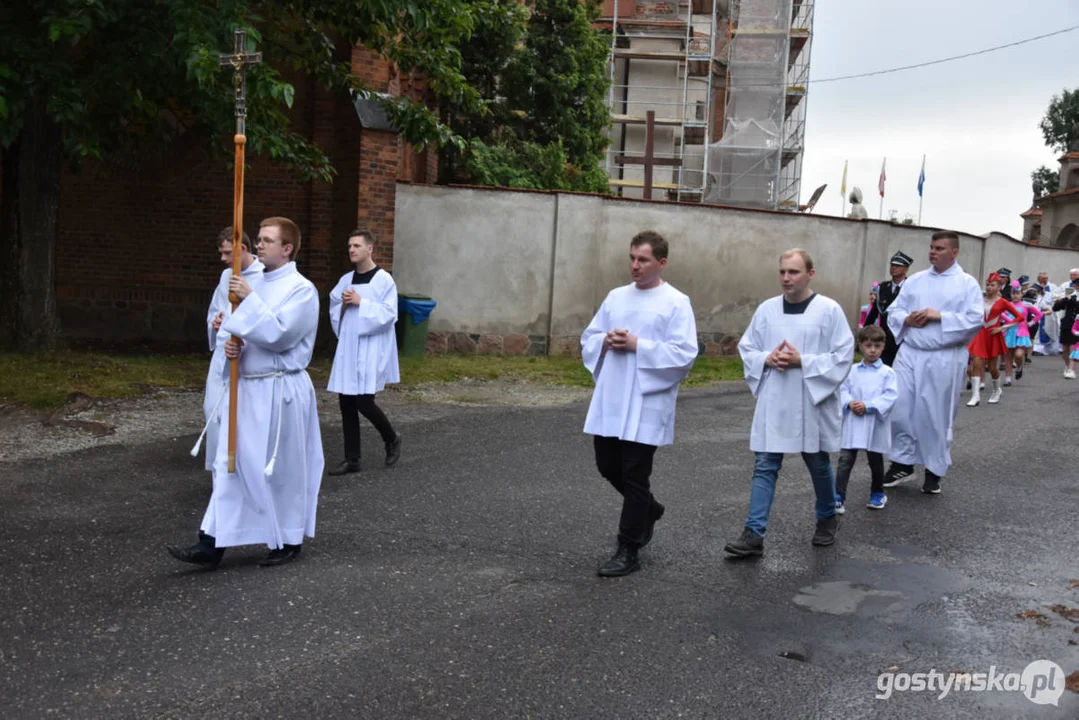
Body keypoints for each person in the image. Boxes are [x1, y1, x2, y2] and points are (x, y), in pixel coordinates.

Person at [169, 217, 323, 569]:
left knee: (276, 469)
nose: (260, 245)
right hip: (248, 389)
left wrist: (247, 304)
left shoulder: (302, 289)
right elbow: (249, 333)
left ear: (287, 249)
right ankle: (211, 542)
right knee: (230, 464)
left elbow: (280, 334)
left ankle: (287, 537)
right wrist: (234, 345)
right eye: (261, 239)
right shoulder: (253, 284)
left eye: (268, 240)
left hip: (280, 391)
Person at [581, 230, 698, 577]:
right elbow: (589, 337)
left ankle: (628, 548)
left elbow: (684, 354)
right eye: (632, 257)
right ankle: (649, 508)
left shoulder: (677, 302)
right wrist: (605, 340)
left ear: (660, 263)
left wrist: (638, 346)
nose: (635, 265)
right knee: (607, 466)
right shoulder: (615, 297)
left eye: (643, 259)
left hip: (647, 399)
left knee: (634, 474)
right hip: (613, 395)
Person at [723, 248, 854, 558]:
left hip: (811, 400)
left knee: (817, 462)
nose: (786, 277)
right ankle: (753, 533)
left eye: (793, 272)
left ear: (810, 274)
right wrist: (766, 357)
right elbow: (747, 348)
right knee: (765, 464)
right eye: (782, 271)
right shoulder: (767, 310)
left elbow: (843, 356)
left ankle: (826, 518)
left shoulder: (828, 310)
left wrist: (802, 361)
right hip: (776, 398)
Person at [882, 231, 982, 495]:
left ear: (954, 252)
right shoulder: (915, 281)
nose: (932, 252)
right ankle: (902, 463)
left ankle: (935, 469)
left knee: (934, 412)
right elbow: (894, 310)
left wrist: (941, 316)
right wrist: (906, 320)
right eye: (931, 247)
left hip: (944, 356)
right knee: (899, 406)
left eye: (939, 248)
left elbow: (974, 319)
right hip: (911, 352)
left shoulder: (966, 284)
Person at [326, 229, 402, 476]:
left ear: (370, 249)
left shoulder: (383, 280)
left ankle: (391, 438)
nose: (351, 249)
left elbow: (390, 314)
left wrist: (362, 303)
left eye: (357, 245)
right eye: (349, 245)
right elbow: (334, 305)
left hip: (371, 347)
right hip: (349, 346)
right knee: (346, 401)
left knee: (364, 401)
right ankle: (352, 459)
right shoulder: (346, 279)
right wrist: (345, 304)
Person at [197, 226, 263, 472]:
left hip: (245, 354)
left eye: (227, 253)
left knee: (237, 415)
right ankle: (218, 469)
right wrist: (215, 323)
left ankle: (239, 468)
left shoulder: (262, 275)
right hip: (221, 354)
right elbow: (216, 309)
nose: (223, 259)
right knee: (212, 409)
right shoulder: (226, 277)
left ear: (242, 249)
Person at [834, 325, 898, 512]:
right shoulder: (851, 370)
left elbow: (890, 396)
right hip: (854, 421)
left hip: (874, 422)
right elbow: (841, 390)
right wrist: (850, 403)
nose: (872, 350)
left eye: (877, 346)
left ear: (883, 347)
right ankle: (838, 496)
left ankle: (877, 493)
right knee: (845, 461)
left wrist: (869, 406)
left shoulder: (887, 373)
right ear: (860, 346)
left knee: (875, 461)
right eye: (868, 345)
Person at [965, 273, 1023, 406]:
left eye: (992, 285)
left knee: (992, 367)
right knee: (976, 362)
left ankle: (997, 390)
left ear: (999, 287)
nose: (989, 287)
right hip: (980, 333)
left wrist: (1003, 328)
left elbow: (1019, 317)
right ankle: (975, 395)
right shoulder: (979, 299)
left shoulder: (1003, 302)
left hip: (993, 334)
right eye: (987, 284)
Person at [863, 250, 913, 366]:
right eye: (892, 265)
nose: (893, 268)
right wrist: (866, 331)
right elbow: (875, 311)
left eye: (898, 266)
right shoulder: (883, 287)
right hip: (884, 337)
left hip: (901, 338)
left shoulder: (910, 287)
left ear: (906, 269)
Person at [1003, 287, 1042, 384]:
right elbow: (1001, 315)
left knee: (1018, 355)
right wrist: (1006, 322)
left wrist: (1030, 323)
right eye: (1013, 293)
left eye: (1017, 293)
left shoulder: (1026, 305)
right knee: (1008, 356)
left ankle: (1019, 367)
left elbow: (1039, 314)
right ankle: (1008, 379)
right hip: (1009, 333)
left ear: (1021, 294)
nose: (1015, 295)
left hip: (1022, 333)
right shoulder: (1007, 305)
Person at [1052, 272, 1079, 378]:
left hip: (1077, 325)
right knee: (1065, 349)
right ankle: (1068, 367)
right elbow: (1056, 308)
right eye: (1076, 285)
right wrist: (1064, 299)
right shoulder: (1070, 295)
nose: (1077, 287)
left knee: (1073, 347)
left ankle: (1071, 369)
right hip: (1067, 324)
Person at [1033, 272, 1062, 356]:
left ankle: (1050, 349)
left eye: (1046, 278)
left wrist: (1052, 297)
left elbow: (1057, 296)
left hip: (1050, 313)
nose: (1045, 280)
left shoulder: (1052, 286)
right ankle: (1037, 349)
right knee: (1038, 332)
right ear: (1039, 279)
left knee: (1050, 330)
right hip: (1038, 313)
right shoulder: (1034, 287)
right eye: (1043, 278)